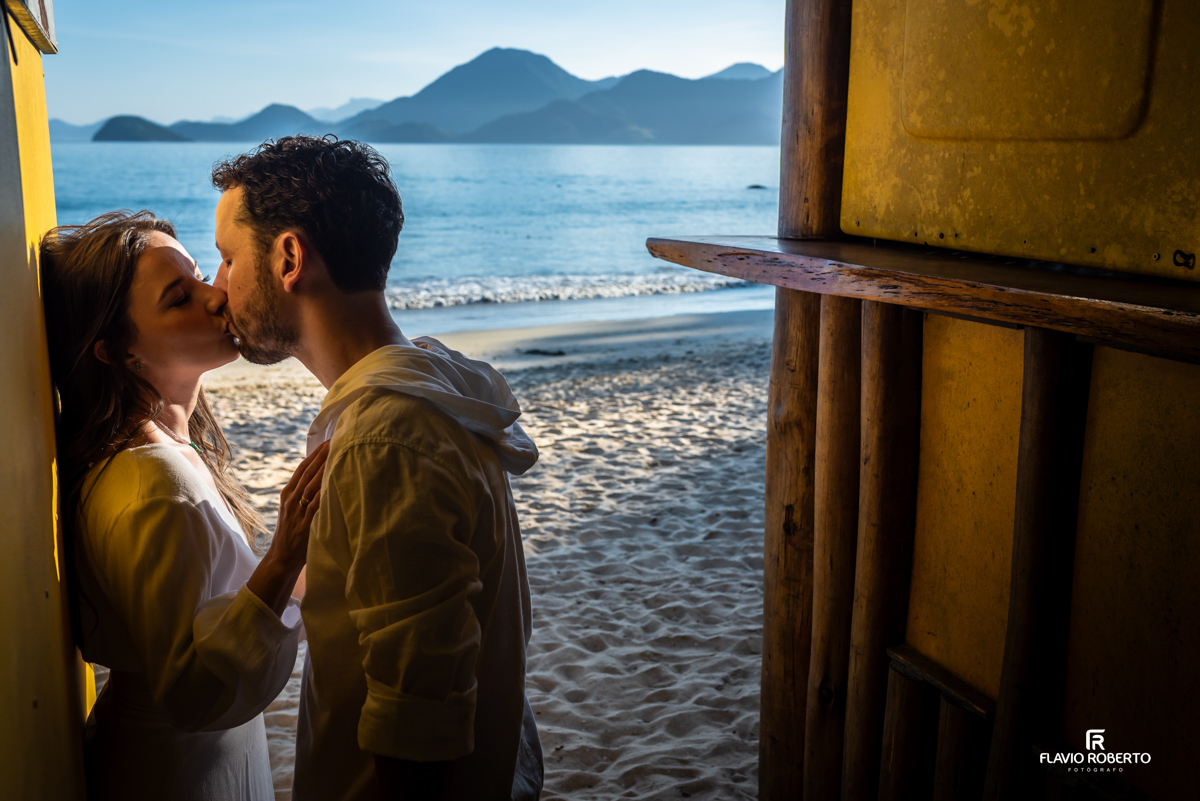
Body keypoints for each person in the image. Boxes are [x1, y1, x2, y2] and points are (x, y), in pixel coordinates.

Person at [211, 135, 544, 801]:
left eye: (225, 258)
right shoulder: (433, 383)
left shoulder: (388, 439)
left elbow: (416, 729)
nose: (217, 288)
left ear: (288, 257)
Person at [40, 210, 330, 801]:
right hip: (174, 770)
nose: (217, 296)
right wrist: (283, 557)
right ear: (118, 352)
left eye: (200, 275)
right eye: (179, 299)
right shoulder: (153, 486)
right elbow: (193, 689)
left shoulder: (166, 448)